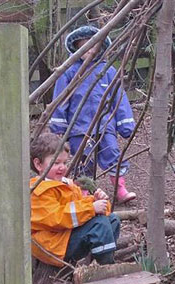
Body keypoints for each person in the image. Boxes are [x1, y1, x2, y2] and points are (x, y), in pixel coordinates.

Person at [49, 25, 136, 203]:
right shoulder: (69, 73)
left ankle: (120, 189)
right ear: (76, 48)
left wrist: (126, 124)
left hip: (105, 126)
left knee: (112, 153)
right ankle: (84, 194)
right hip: (79, 128)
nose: (88, 51)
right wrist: (59, 126)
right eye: (83, 47)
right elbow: (60, 99)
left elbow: (119, 98)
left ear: (100, 49)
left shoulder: (108, 71)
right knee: (83, 161)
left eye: (92, 47)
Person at [30, 133, 120, 267]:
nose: (62, 167)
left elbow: (79, 206)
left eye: (65, 162)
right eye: (56, 163)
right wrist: (91, 208)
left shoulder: (66, 184)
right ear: (38, 164)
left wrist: (95, 201)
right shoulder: (38, 190)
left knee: (112, 219)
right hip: (53, 245)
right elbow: (57, 218)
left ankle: (99, 261)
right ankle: (107, 266)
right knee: (99, 225)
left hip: (67, 235)